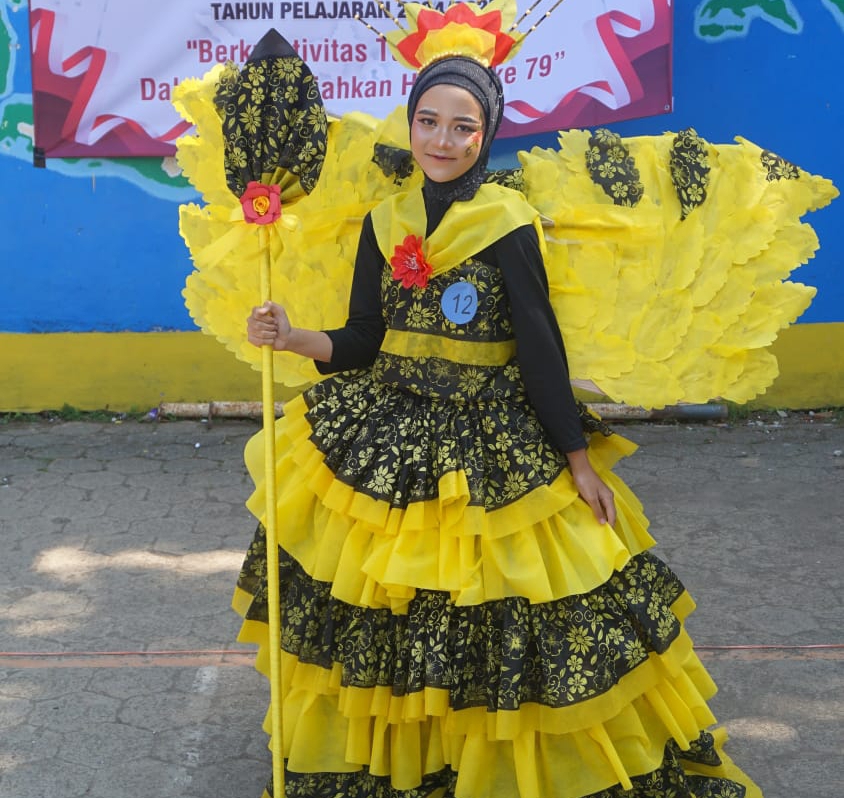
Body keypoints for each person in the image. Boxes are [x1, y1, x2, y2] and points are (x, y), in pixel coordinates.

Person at [235, 55, 763, 798]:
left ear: (486, 135)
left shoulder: (508, 223)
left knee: (510, 603)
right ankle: (415, 753)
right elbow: (361, 340)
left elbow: (540, 350)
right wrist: (292, 337)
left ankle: (500, 762)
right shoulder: (383, 223)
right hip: (391, 436)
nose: (442, 141)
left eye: (462, 126)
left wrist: (577, 462)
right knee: (393, 608)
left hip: (491, 435)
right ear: (410, 124)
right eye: (428, 122)